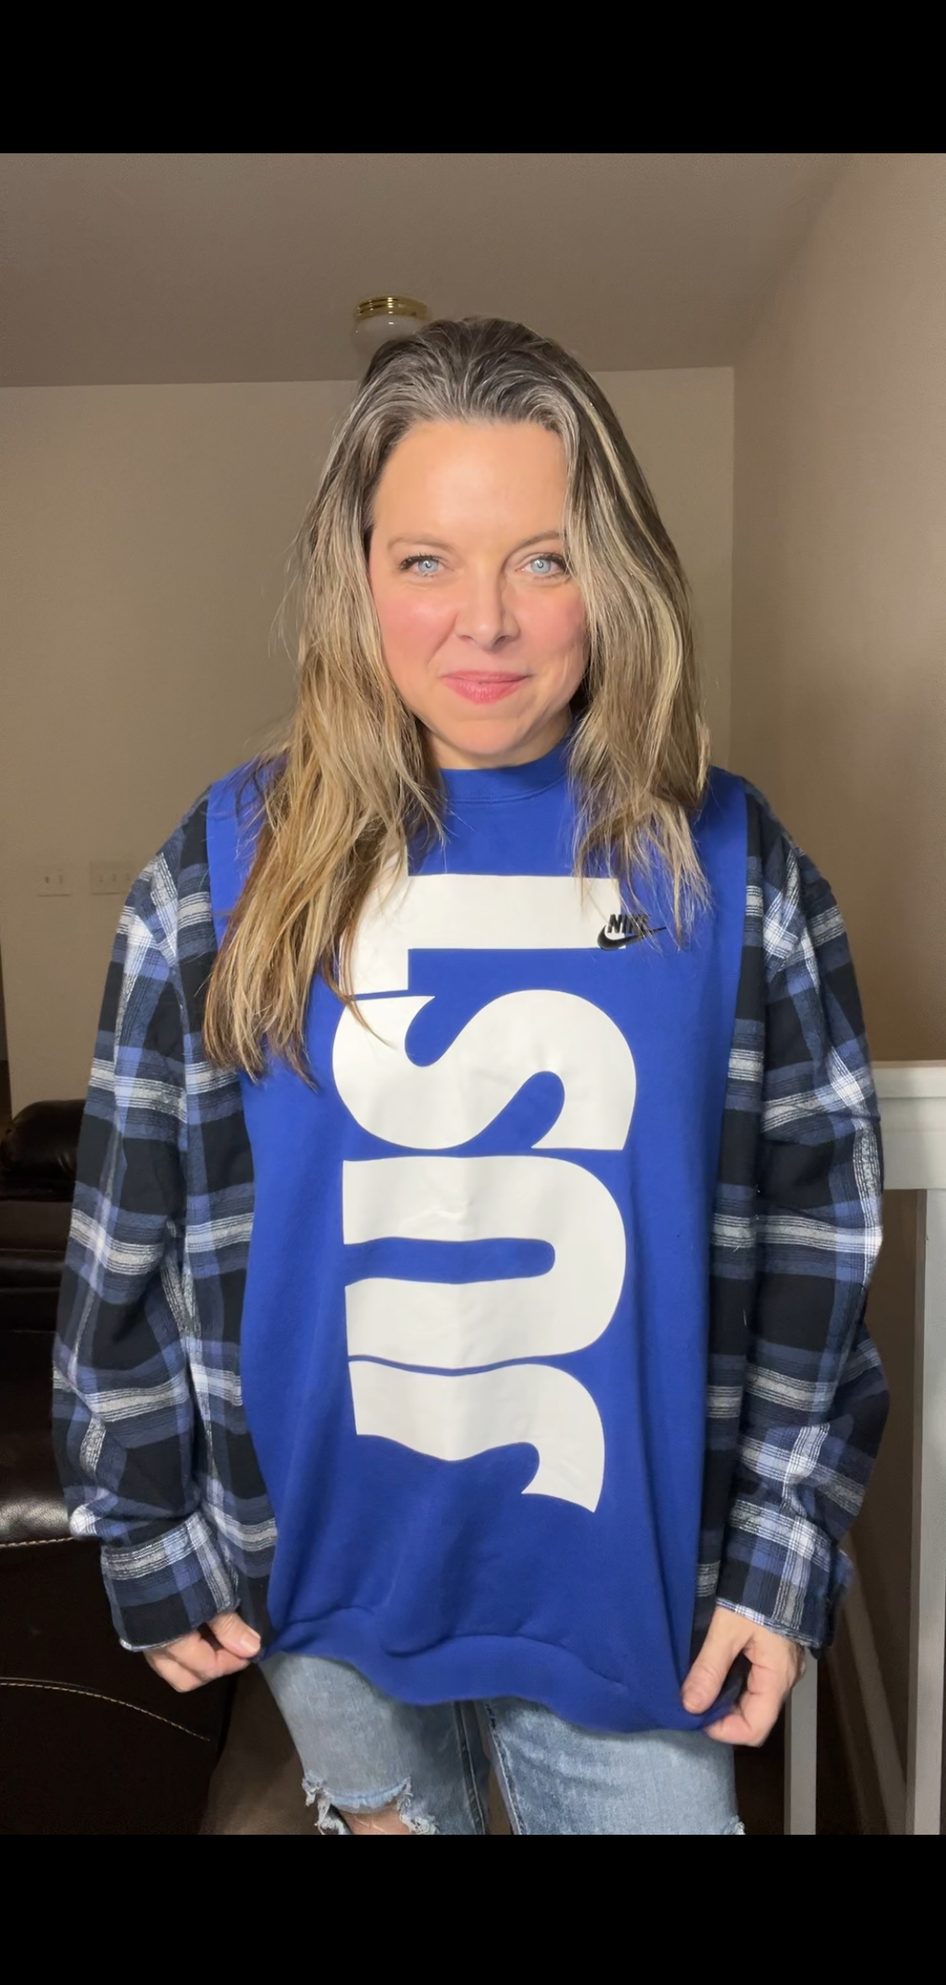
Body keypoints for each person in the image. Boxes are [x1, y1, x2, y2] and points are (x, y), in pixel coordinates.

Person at [52, 317, 888, 1836]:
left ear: (614, 577)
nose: (484, 623)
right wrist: (146, 1526)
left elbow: (813, 1234)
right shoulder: (226, 866)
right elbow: (128, 1233)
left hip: (632, 1604)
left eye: (543, 558)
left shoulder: (729, 864)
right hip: (322, 1585)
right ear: (356, 579)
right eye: (426, 560)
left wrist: (781, 1549)